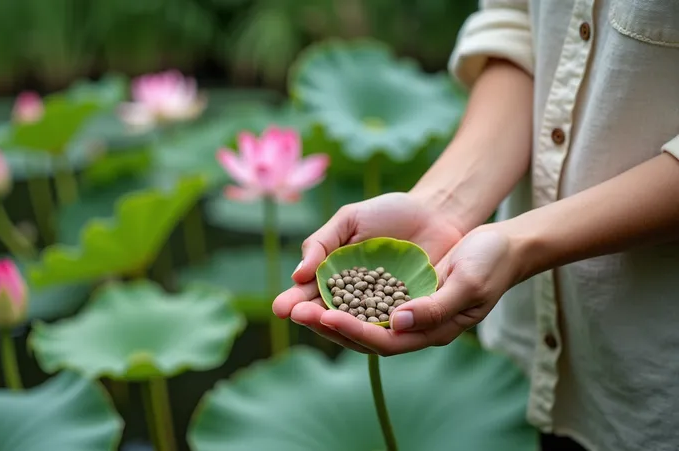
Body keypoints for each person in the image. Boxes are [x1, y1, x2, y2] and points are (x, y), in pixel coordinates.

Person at [272, 1, 679, 450]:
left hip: (656, 382)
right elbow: (521, 31)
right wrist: (443, 206)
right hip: (528, 352)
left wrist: (519, 245)